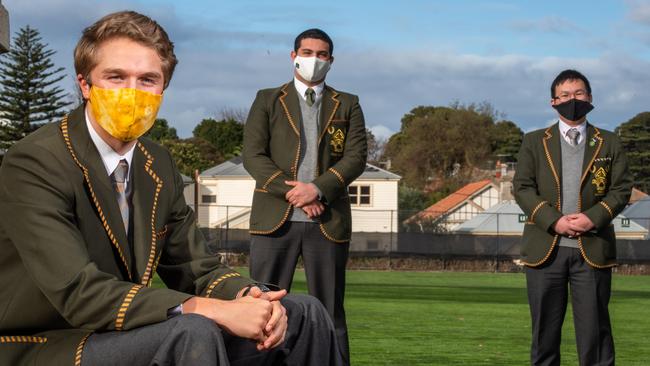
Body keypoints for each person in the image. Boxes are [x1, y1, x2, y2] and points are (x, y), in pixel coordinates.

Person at [0, 11, 341, 366]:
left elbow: (195, 267)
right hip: (43, 342)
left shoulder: (157, 163)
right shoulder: (35, 161)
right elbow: (77, 291)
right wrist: (208, 310)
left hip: (120, 333)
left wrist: (252, 297)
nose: (132, 91)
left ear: (163, 89)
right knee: (192, 330)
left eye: (147, 80)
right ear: (85, 85)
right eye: (115, 77)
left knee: (303, 312)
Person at [243, 28, 367, 365]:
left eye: (322, 54)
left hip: (327, 223)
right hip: (274, 222)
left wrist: (319, 190)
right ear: (293, 55)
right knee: (262, 309)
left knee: (329, 313)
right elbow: (253, 156)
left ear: (331, 60)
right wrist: (296, 193)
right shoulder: (267, 99)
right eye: (307, 51)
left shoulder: (349, 104)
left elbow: (355, 158)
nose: (314, 59)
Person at [514, 69, 633, 366]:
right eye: (565, 95)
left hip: (592, 250)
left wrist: (593, 218)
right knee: (544, 338)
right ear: (553, 102)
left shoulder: (609, 141)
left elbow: (620, 190)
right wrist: (554, 221)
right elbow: (522, 188)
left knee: (595, 337)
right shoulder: (532, 141)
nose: (572, 100)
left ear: (590, 98)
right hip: (545, 251)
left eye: (579, 94)